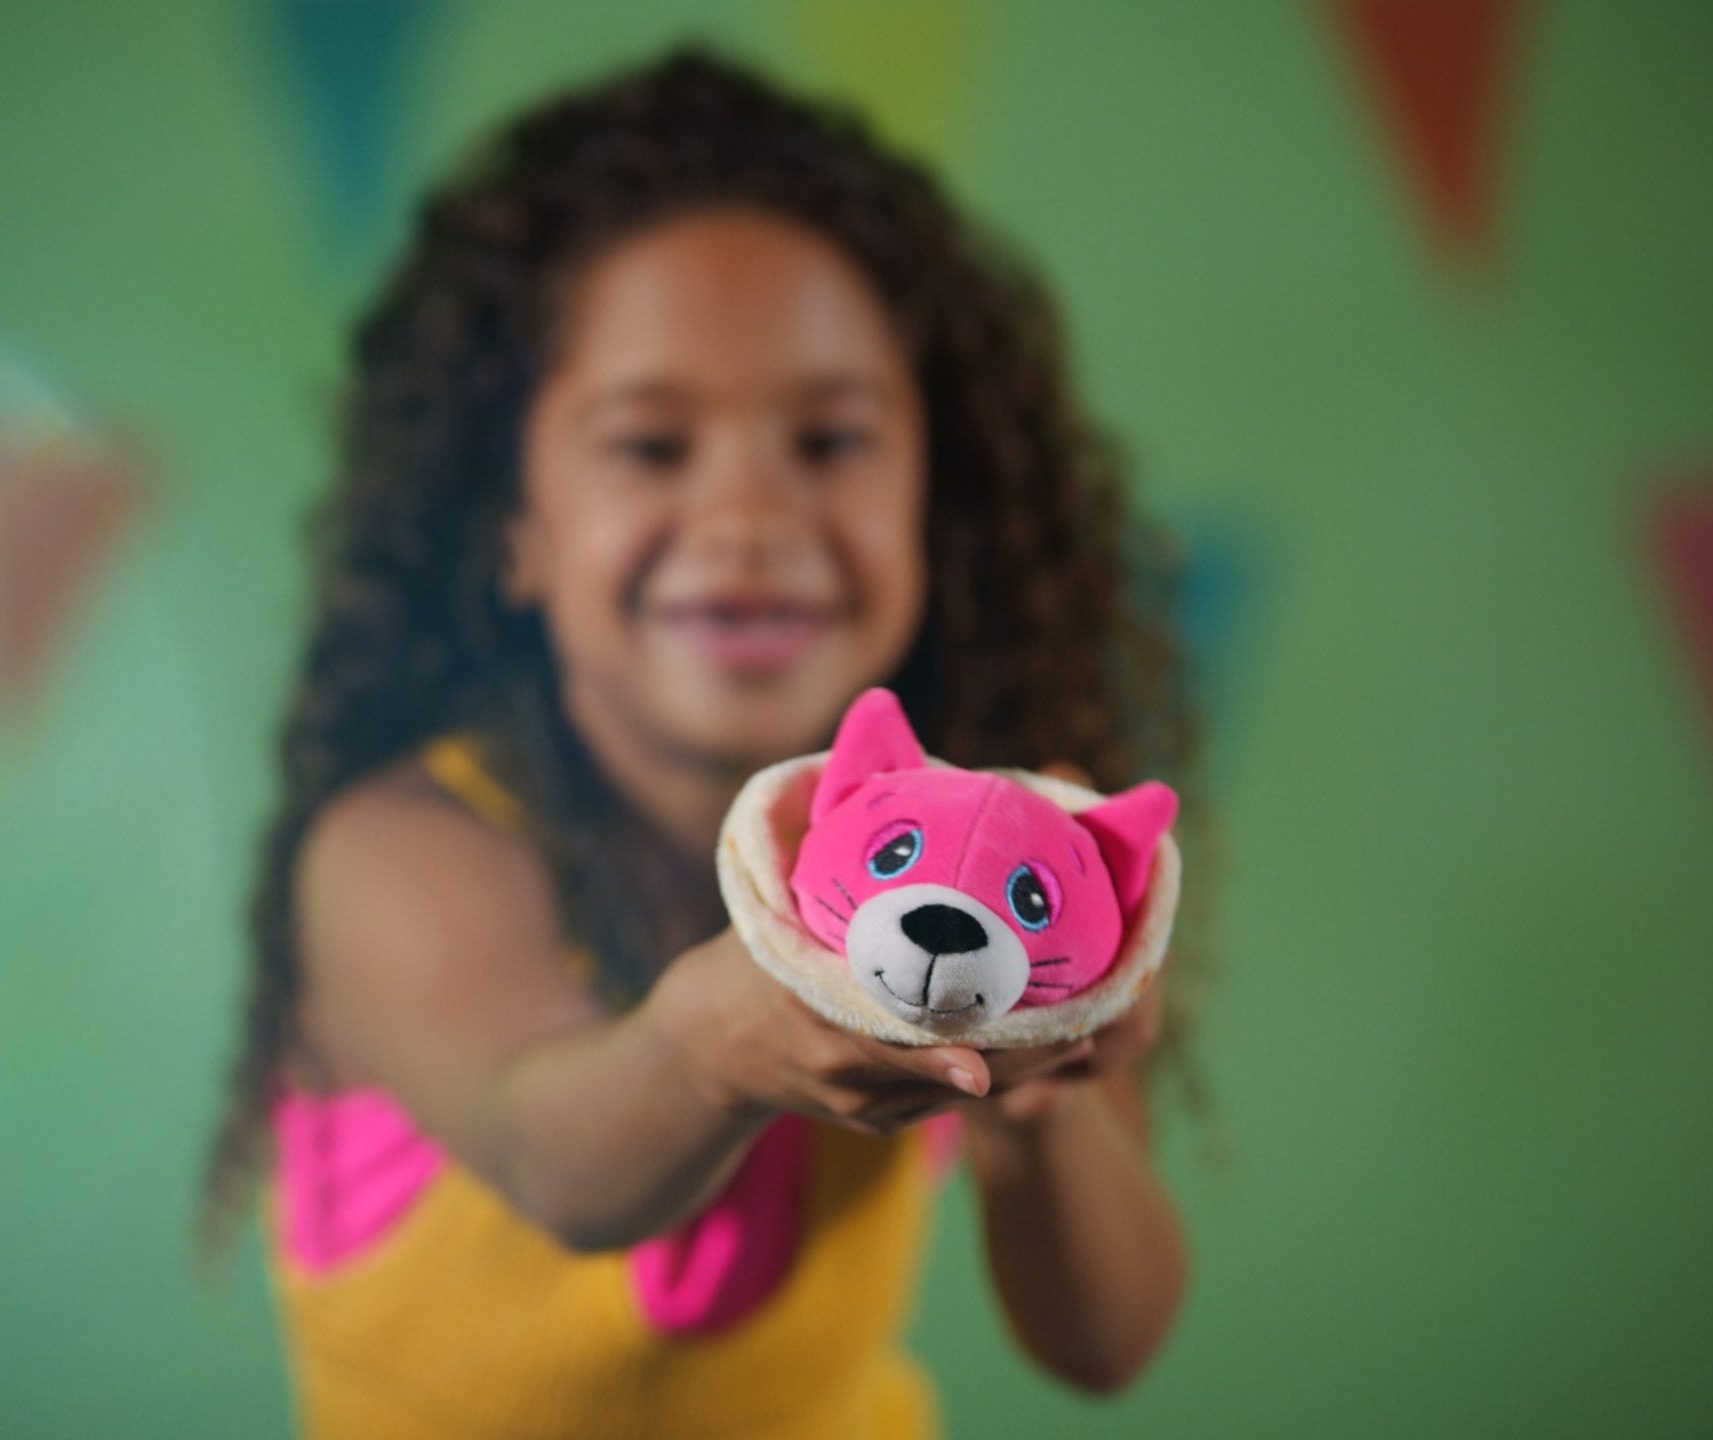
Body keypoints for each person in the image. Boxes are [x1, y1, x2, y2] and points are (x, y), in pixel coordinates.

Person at [202, 46, 1203, 1439]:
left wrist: (1049, 1089)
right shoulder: (403, 854)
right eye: (654, 447)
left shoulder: (986, 883)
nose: (748, 517)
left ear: (938, 496)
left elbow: (1105, 1343)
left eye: (831, 439)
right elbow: (558, 1162)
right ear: (511, 526)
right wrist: (708, 1051)